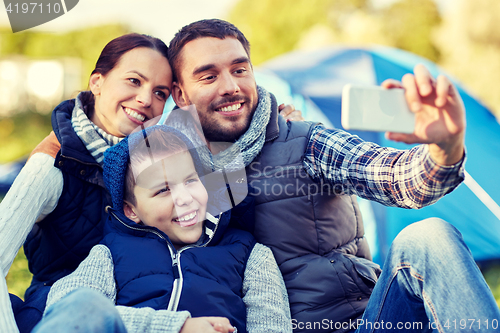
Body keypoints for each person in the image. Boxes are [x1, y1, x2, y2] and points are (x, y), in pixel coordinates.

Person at [163, 19, 499, 332]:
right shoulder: (160, 175)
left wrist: (446, 146)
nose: (231, 87)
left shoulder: (303, 140)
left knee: (429, 237)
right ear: (179, 94)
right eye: (208, 77)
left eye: (240, 70)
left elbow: (399, 179)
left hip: (362, 322)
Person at [0, 32, 300, 332]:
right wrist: (177, 326)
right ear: (97, 83)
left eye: (160, 93)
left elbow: (228, 152)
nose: (145, 99)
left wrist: (282, 127)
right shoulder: (54, 161)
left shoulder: (166, 149)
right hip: (72, 314)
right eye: (133, 81)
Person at [33, 125, 291, 333]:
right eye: (163, 190)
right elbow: (68, 310)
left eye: (191, 180)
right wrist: (177, 327)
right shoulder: (110, 254)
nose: (185, 198)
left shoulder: (249, 254)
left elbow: (272, 326)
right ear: (131, 210)